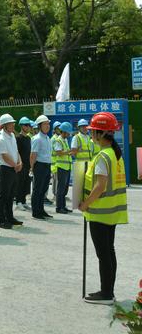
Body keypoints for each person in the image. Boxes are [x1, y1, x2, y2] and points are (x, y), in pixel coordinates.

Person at [79, 112, 128, 305]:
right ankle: (109, 290)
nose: (91, 135)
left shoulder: (102, 157)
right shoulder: (115, 154)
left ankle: (106, 293)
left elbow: (100, 186)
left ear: (100, 134)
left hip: (100, 213)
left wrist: (85, 204)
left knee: (103, 254)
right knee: (109, 251)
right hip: (112, 212)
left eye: (93, 132)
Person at [0, 114, 23, 229]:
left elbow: (16, 151)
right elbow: (4, 155)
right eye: (11, 123)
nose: (13, 125)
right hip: (6, 169)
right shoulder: (1, 138)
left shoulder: (12, 136)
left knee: (11, 194)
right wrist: (15, 165)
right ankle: (2, 220)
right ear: (4, 125)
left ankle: (10, 217)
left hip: (13, 168)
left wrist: (20, 162)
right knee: (4, 195)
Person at [30, 115, 53, 220]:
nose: (47, 126)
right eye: (45, 124)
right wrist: (32, 168)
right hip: (39, 166)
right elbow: (33, 155)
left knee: (43, 189)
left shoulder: (48, 138)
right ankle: (36, 211)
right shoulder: (37, 138)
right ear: (39, 126)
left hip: (47, 165)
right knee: (37, 189)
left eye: (48, 124)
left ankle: (41, 209)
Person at [53, 122, 73, 214]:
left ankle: (63, 206)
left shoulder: (64, 140)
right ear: (64, 132)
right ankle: (59, 207)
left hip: (67, 167)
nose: (69, 134)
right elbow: (58, 152)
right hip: (61, 167)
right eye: (68, 133)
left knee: (65, 188)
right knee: (60, 189)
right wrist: (68, 152)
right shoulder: (58, 140)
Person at [15, 117, 32, 210]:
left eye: (29, 125)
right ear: (21, 126)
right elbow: (17, 152)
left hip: (28, 165)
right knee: (20, 183)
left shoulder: (29, 138)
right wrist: (19, 162)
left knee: (26, 183)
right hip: (21, 164)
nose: (28, 127)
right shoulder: (18, 138)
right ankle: (18, 202)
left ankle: (24, 201)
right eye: (26, 125)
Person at [50, 121, 61, 200]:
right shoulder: (54, 138)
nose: (59, 129)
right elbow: (52, 151)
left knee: (59, 180)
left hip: (59, 162)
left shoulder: (59, 137)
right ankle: (55, 194)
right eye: (58, 128)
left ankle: (58, 194)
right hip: (54, 163)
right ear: (55, 129)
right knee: (55, 180)